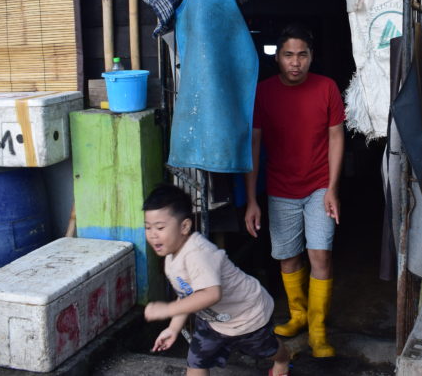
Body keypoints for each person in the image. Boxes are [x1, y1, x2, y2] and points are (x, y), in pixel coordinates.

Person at [244, 24, 345, 358]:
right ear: (278, 57)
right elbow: (254, 145)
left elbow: (336, 137)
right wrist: (252, 200)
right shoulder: (263, 93)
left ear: (311, 56)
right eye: (289, 54)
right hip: (281, 187)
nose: (296, 62)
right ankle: (298, 315)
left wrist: (332, 188)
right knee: (288, 257)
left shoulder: (327, 88)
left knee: (321, 254)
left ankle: (318, 330)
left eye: (302, 54)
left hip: (319, 186)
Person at [143, 184, 291, 376]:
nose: (153, 234)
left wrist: (167, 309)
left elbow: (211, 294)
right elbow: (187, 295)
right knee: (196, 362)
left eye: (160, 227)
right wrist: (173, 328)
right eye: (148, 227)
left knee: (266, 350)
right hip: (213, 322)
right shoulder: (171, 259)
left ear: (185, 226)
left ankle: (283, 359)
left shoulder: (198, 253)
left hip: (247, 316)